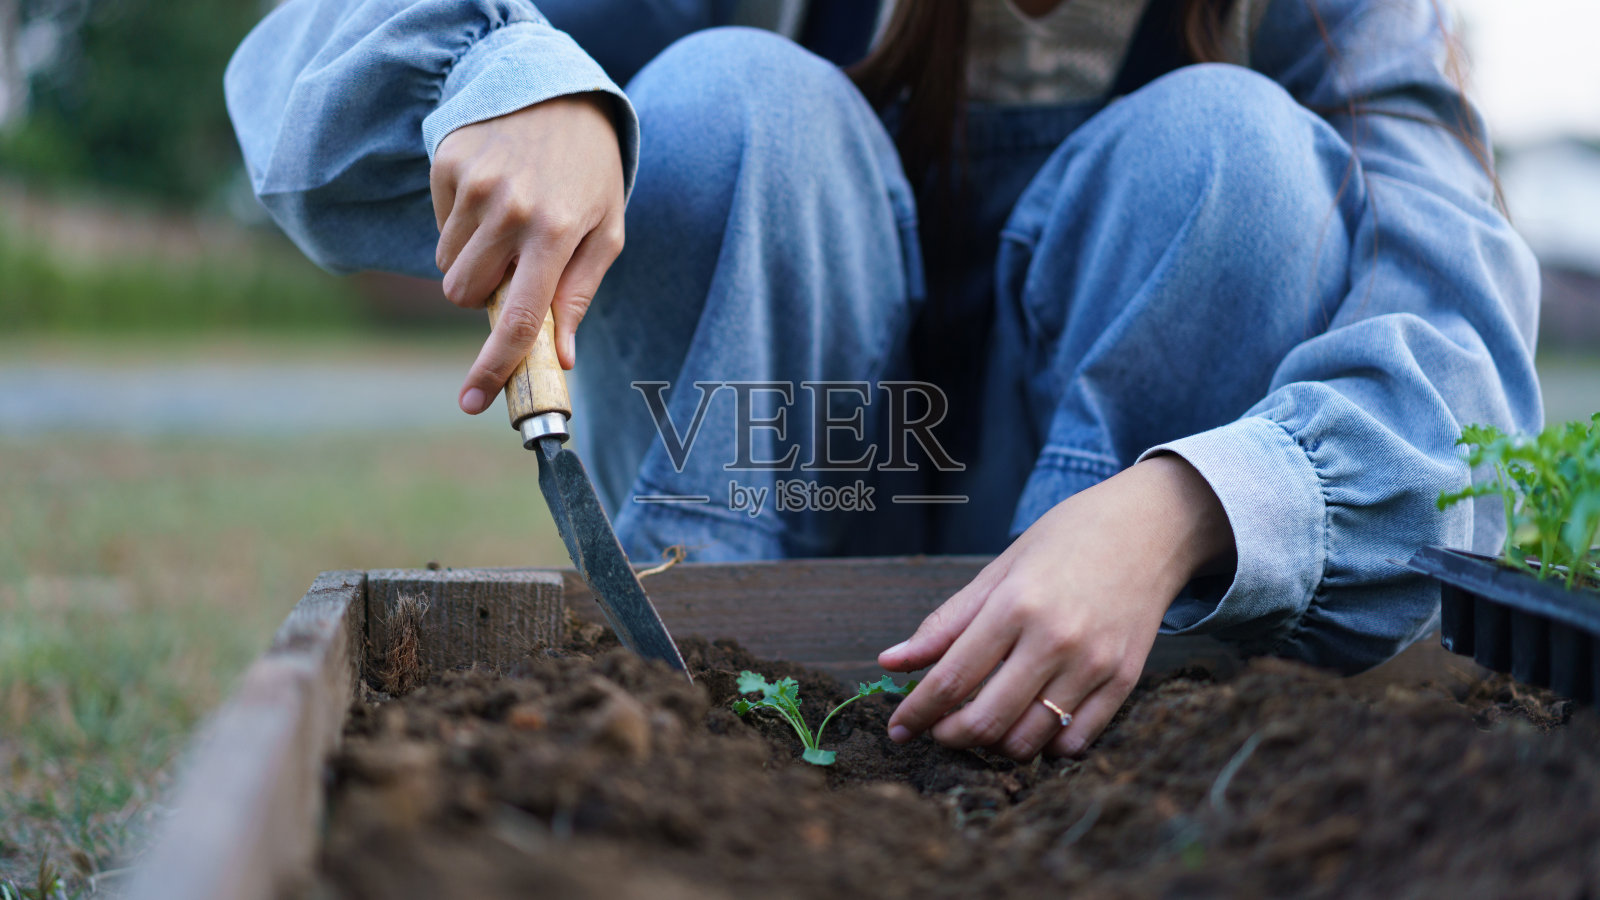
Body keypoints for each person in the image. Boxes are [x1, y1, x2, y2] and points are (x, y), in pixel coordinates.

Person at [225, 0, 1541, 761]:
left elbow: (1460, 365)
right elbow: (304, 63)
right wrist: (510, 79)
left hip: (1127, 626)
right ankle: (707, 719)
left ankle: (1101, 734)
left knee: (1242, 153)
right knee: (734, 100)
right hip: (778, 503)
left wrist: (1188, 506)